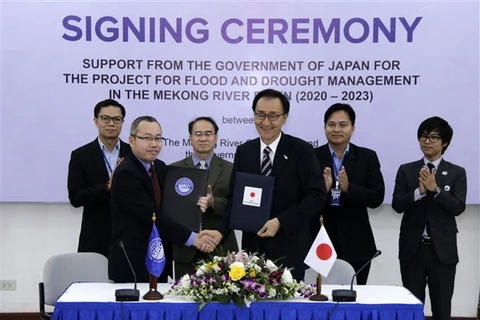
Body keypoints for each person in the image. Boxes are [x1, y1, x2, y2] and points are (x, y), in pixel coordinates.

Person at [203, 89, 326, 281]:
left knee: (289, 309)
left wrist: (281, 221)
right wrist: (220, 231)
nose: (266, 122)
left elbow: (316, 196)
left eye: (273, 116)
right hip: (253, 252)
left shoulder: (301, 151)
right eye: (260, 115)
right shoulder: (245, 151)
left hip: (290, 249)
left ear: (284, 118)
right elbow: (235, 199)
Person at [109, 116, 218, 283]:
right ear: (131, 140)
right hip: (134, 262)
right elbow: (151, 216)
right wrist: (194, 239)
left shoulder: (159, 167)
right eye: (147, 138)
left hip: (159, 260)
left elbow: (175, 204)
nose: (154, 144)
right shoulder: (126, 173)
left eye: (158, 138)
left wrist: (203, 200)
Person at [392, 116, 466, 320]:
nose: (427, 141)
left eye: (433, 137)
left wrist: (436, 190)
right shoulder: (407, 170)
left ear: (445, 143)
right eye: (423, 136)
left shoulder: (457, 173)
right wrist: (419, 192)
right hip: (412, 251)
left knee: (442, 308)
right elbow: (397, 204)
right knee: (412, 308)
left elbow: (458, 207)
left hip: (442, 252)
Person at [311, 103, 385, 285]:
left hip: (357, 243)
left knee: (354, 301)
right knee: (319, 300)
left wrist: (348, 188)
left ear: (353, 128)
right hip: (320, 242)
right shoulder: (311, 156)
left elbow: (377, 197)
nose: (336, 129)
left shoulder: (367, 157)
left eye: (342, 125)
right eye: (331, 124)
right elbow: (301, 198)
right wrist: (324, 189)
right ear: (324, 127)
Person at [170, 116, 239, 279]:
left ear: (216, 138)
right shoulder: (174, 170)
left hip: (220, 247)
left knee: (224, 300)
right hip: (185, 248)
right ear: (190, 138)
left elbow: (236, 205)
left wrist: (214, 202)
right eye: (198, 134)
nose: (203, 138)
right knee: (184, 299)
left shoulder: (231, 169)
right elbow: (170, 208)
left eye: (208, 134)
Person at [67, 99, 131, 257]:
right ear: (96, 121)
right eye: (105, 118)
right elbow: (76, 197)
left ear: (123, 122)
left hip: (128, 236)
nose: (111, 124)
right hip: (94, 237)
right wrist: (106, 187)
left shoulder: (133, 154)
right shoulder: (81, 155)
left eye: (117, 119)